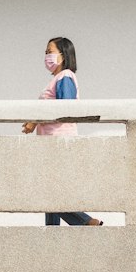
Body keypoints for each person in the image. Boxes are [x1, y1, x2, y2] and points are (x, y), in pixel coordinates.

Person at [22, 36, 102, 227]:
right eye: (45, 53)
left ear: (63, 55)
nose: (46, 56)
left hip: (59, 143)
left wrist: (35, 120)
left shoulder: (65, 76)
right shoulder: (59, 78)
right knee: (51, 192)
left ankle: (84, 221)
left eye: (50, 51)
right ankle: (54, 232)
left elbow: (65, 110)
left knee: (51, 192)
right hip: (52, 144)